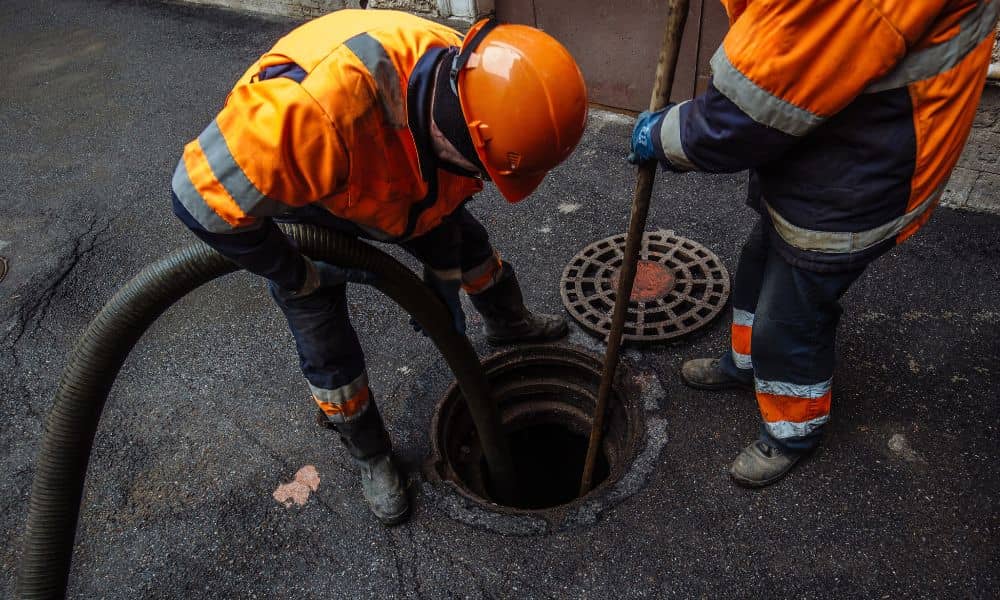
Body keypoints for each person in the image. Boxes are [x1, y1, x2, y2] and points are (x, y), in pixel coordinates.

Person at [171, 10, 588, 524]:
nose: (487, 179)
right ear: (463, 135)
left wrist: (443, 285)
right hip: (319, 195)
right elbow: (194, 198)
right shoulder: (306, 115)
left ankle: (507, 323)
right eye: (486, 168)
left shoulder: (480, 80)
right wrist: (294, 270)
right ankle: (370, 452)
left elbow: (448, 205)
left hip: (404, 176)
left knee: (467, 246)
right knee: (322, 332)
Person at [630, 0, 998, 487]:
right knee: (758, 260)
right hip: (825, 144)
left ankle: (792, 429)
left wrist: (665, 135)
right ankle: (746, 364)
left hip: (860, 173)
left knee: (791, 317)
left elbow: (743, 114)